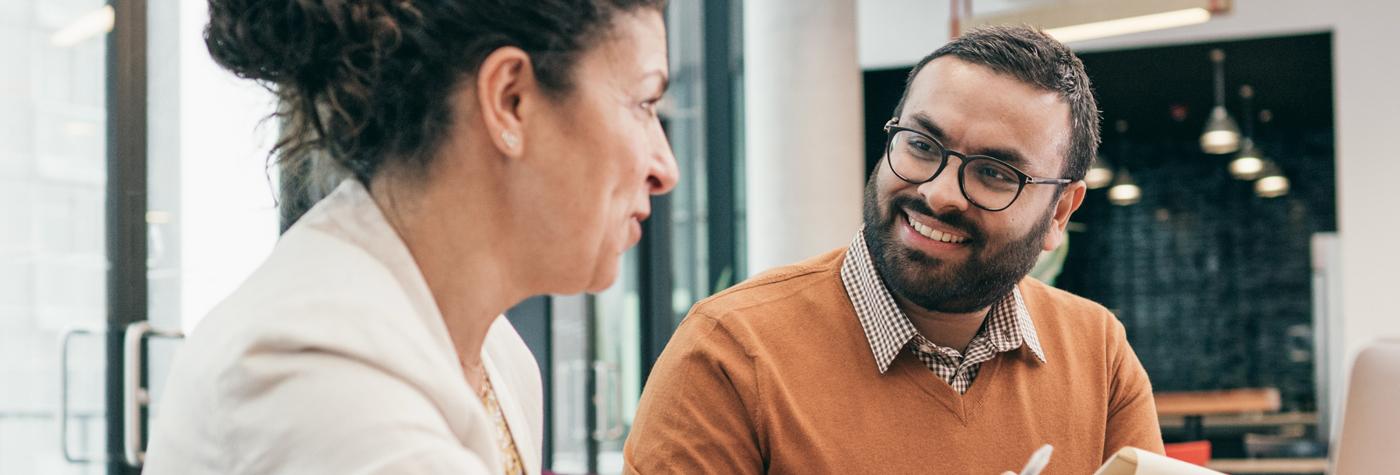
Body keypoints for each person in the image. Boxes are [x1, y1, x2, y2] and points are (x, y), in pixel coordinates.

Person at [144, 0, 677, 473]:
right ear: (511, 99)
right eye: (645, 104)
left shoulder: (499, 357)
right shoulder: (317, 377)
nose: (665, 168)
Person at [624, 25, 1163, 474]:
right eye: (922, 145)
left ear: (1061, 213)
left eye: (996, 174)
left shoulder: (1098, 353)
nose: (938, 193)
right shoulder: (729, 354)